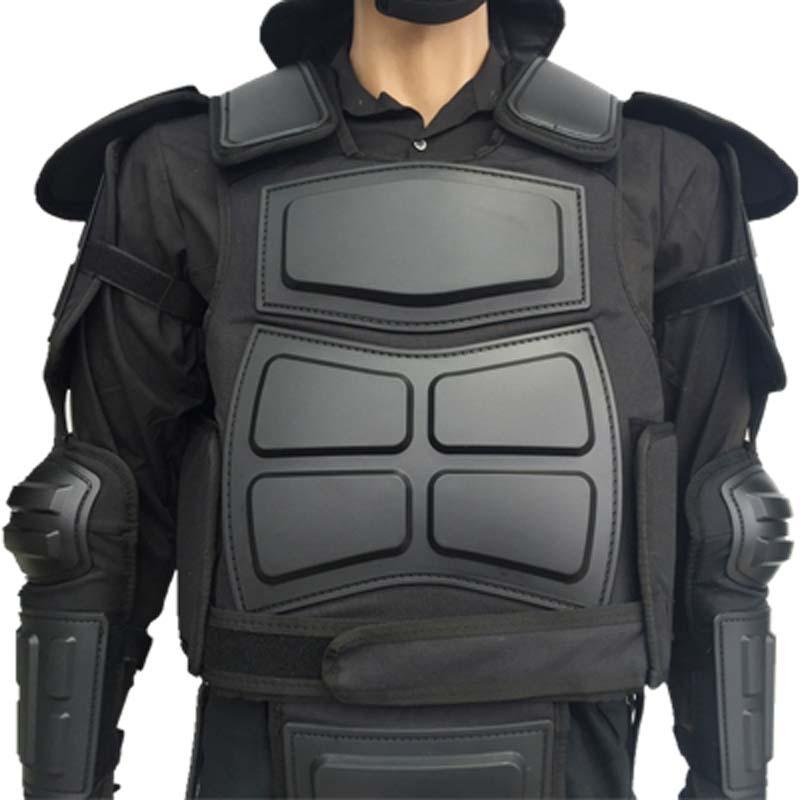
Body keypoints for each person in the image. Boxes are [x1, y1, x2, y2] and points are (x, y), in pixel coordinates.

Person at [4, 1, 796, 798]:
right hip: (270, 742)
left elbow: (723, 525)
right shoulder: (176, 168)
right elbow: (95, 523)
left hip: (571, 746)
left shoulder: (666, 170)